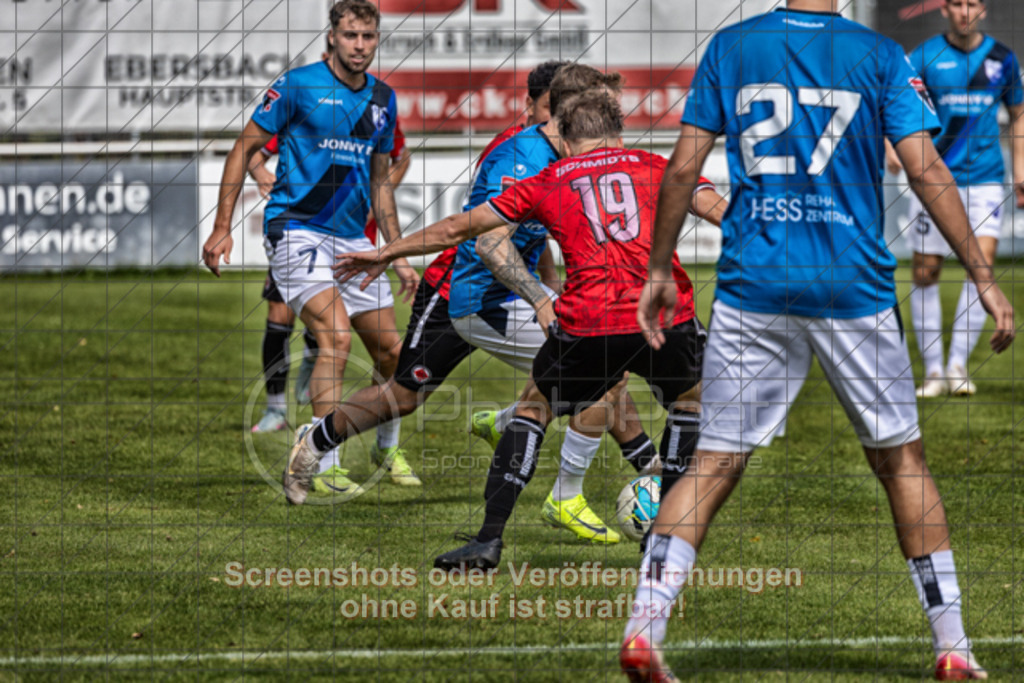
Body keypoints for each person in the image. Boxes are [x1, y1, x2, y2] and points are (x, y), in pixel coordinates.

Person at [619, 1, 1016, 681]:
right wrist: (982, 275)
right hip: (850, 288)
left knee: (713, 462)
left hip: (753, 283)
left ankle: (642, 630)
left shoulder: (734, 44)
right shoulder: (879, 55)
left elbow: (683, 169)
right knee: (902, 462)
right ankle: (953, 645)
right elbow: (927, 171)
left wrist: (658, 268)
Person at [326, 90, 725, 573]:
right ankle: (665, 539)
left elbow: (458, 228)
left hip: (589, 320)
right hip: (663, 315)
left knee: (534, 409)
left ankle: (488, 541)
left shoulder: (550, 178)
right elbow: (723, 212)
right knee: (690, 401)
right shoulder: (654, 165)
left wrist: (387, 252)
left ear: (565, 135)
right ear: (617, 130)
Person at [202, 0, 421, 491]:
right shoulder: (298, 86)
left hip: (351, 240)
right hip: (296, 230)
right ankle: (324, 463)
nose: (359, 46)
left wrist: (397, 254)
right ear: (332, 36)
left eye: (367, 36)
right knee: (336, 339)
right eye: (350, 36)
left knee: (394, 356)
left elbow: (381, 185)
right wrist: (222, 226)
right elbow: (244, 147)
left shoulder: (383, 99)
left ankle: (388, 450)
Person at [887, 0, 1024, 398]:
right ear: (944, 9)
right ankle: (932, 372)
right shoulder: (926, 54)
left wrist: (1020, 168)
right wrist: (890, 146)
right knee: (925, 272)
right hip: (935, 178)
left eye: (973, 3)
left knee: (977, 269)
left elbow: (1018, 113)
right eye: (957, 4)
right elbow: (893, 101)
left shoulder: (1002, 58)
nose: (965, 11)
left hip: (984, 181)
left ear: (983, 9)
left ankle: (957, 366)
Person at [248, 114, 411, 434]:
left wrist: (381, 190)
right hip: (298, 234)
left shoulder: (377, 110)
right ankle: (277, 410)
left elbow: (401, 156)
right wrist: (260, 172)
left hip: (352, 239)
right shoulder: (307, 105)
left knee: (383, 348)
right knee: (282, 319)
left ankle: (314, 361)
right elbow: (253, 150)